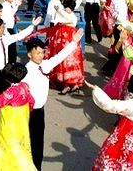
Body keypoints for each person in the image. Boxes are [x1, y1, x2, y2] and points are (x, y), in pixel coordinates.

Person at [23, 30, 82, 169]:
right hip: (27, 111)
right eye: (37, 53)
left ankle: (36, 167)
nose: (41, 55)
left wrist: (73, 42)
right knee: (28, 142)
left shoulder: (45, 65)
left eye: (42, 52)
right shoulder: (25, 71)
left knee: (38, 142)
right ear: (29, 54)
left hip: (39, 112)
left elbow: (60, 57)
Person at [86, 74, 133, 171]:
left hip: (128, 130)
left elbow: (110, 105)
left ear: (131, 87)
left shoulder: (131, 104)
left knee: (119, 154)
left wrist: (96, 90)